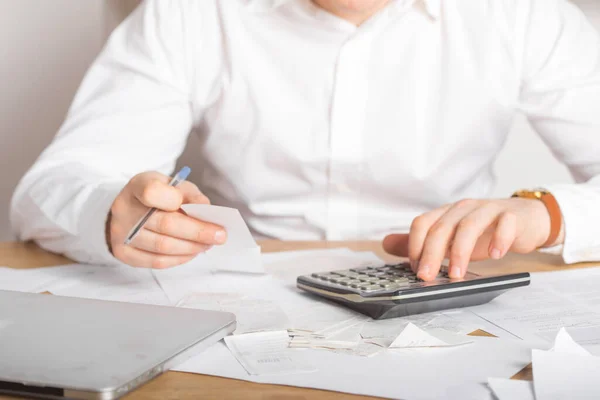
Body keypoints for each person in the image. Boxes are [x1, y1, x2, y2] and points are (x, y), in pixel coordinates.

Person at [10, 0, 600, 282]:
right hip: (240, 292)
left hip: (445, 291)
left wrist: (546, 215)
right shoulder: (187, 13)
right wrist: (112, 214)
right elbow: (48, 192)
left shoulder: (526, 15)